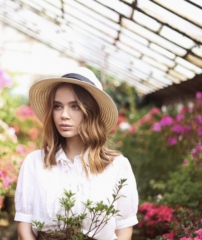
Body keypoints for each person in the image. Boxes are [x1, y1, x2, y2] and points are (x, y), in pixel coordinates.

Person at [14, 67, 138, 240]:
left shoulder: (117, 166)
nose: (64, 115)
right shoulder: (34, 162)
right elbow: (24, 229)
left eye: (75, 106)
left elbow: (124, 230)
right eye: (58, 106)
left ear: (91, 112)